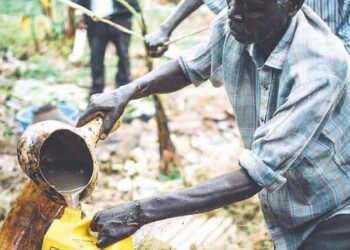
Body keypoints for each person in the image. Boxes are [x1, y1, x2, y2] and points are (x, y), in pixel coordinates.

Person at [77, 0, 350, 249]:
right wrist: (125, 92)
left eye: (253, 8)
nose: (233, 14)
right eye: (232, 1)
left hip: (335, 206)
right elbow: (188, 67)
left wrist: (139, 212)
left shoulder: (320, 68)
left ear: (292, 6)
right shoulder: (238, 22)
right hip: (288, 205)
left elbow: (256, 175)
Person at [145, 0, 350, 57]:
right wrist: (165, 28)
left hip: (329, 67)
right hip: (267, 60)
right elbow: (190, 68)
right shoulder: (230, 28)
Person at [76, 0, 140, 96]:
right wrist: (80, 15)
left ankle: (124, 90)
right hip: (95, 21)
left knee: (123, 54)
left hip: (120, 18)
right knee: (95, 56)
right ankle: (97, 91)